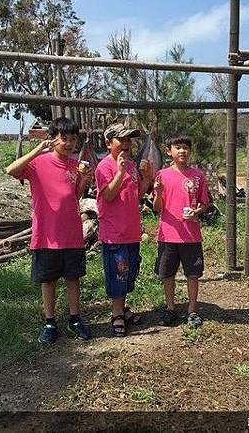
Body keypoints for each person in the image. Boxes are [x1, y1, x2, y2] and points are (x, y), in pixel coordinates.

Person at [6, 117, 93, 344]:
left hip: (72, 234)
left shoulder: (76, 166)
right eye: (64, 139)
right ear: (53, 139)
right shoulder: (39, 163)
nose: (68, 143)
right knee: (49, 281)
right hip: (46, 234)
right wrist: (37, 150)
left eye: (73, 139)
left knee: (74, 279)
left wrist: (84, 181)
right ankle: (49, 322)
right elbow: (10, 170)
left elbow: (74, 198)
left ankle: (75, 320)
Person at [95, 123, 154, 337]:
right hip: (114, 233)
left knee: (128, 273)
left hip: (131, 230)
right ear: (109, 143)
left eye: (130, 140)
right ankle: (117, 313)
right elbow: (108, 196)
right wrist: (119, 172)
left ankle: (122, 308)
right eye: (123, 140)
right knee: (117, 273)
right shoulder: (105, 167)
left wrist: (146, 178)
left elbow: (137, 196)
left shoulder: (131, 165)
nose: (127, 144)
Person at [152, 135, 210, 328]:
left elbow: (204, 203)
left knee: (192, 274)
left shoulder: (197, 176)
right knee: (167, 274)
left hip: (191, 235)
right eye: (178, 147)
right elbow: (157, 207)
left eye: (186, 147)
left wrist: (197, 211)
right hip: (168, 234)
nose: (182, 151)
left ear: (190, 151)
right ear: (169, 151)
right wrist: (159, 193)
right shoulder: (162, 175)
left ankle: (192, 310)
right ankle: (170, 308)